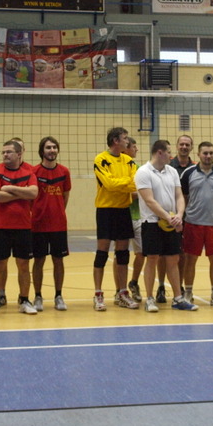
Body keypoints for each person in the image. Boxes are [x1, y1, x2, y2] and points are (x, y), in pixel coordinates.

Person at [135, 139, 196, 312]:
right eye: (169, 152)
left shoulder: (172, 171)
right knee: (152, 259)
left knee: (173, 259)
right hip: (151, 223)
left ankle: (178, 298)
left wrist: (179, 215)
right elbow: (149, 201)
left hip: (171, 222)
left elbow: (179, 196)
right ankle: (150, 299)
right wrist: (168, 218)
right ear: (160, 152)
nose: (171, 155)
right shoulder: (143, 172)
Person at [0, 140, 38, 317]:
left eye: (8, 152)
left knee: (23, 265)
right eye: (3, 152)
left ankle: (24, 300)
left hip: (23, 226)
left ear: (19, 154)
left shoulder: (28, 172)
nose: (5, 155)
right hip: (1, 227)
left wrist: (9, 188)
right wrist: (21, 193)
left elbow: (33, 193)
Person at [180, 141, 213, 307]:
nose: (208, 156)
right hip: (193, 223)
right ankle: (188, 293)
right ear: (198, 155)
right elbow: (183, 197)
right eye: (205, 153)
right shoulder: (188, 173)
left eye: (211, 153)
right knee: (190, 260)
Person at [91, 127, 138, 311]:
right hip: (105, 210)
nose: (127, 141)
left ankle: (122, 293)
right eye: (125, 138)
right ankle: (98, 294)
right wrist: (125, 183)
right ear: (115, 141)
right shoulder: (101, 159)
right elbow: (109, 184)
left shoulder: (129, 161)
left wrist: (121, 184)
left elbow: (135, 184)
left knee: (123, 253)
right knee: (102, 253)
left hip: (123, 210)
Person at [31, 136, 71, 312]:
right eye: (48, 147)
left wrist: (57, 211)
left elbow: (65, 196)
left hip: (58, 224)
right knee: (38, 260)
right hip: (38, 224)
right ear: (42, 151)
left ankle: (58, 295)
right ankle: (38, 296)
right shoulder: (34, 172)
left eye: (54, 147)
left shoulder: (64, 171)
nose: (52, 150)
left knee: (58, 260)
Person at [155, 134, 195, 302]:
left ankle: (180, 287)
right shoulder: (167, 165)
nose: (184, 147)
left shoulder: (195, 168)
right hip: (166, 216)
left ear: (191, 147)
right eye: (181, 144)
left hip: (186, 217)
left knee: (182, 254)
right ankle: (161, 286)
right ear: (177, 146)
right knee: (162, 254)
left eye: (187, 144)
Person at [124, 137, 145, 303]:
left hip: (138, 216)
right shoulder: (115, 166)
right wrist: (141, 194)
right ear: (125, 149)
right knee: (121, 253)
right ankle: (120, 289)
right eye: (134, 147)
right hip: (122, 215)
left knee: (142, 252)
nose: (136, 149)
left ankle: (134, 282)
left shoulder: (138, 169)